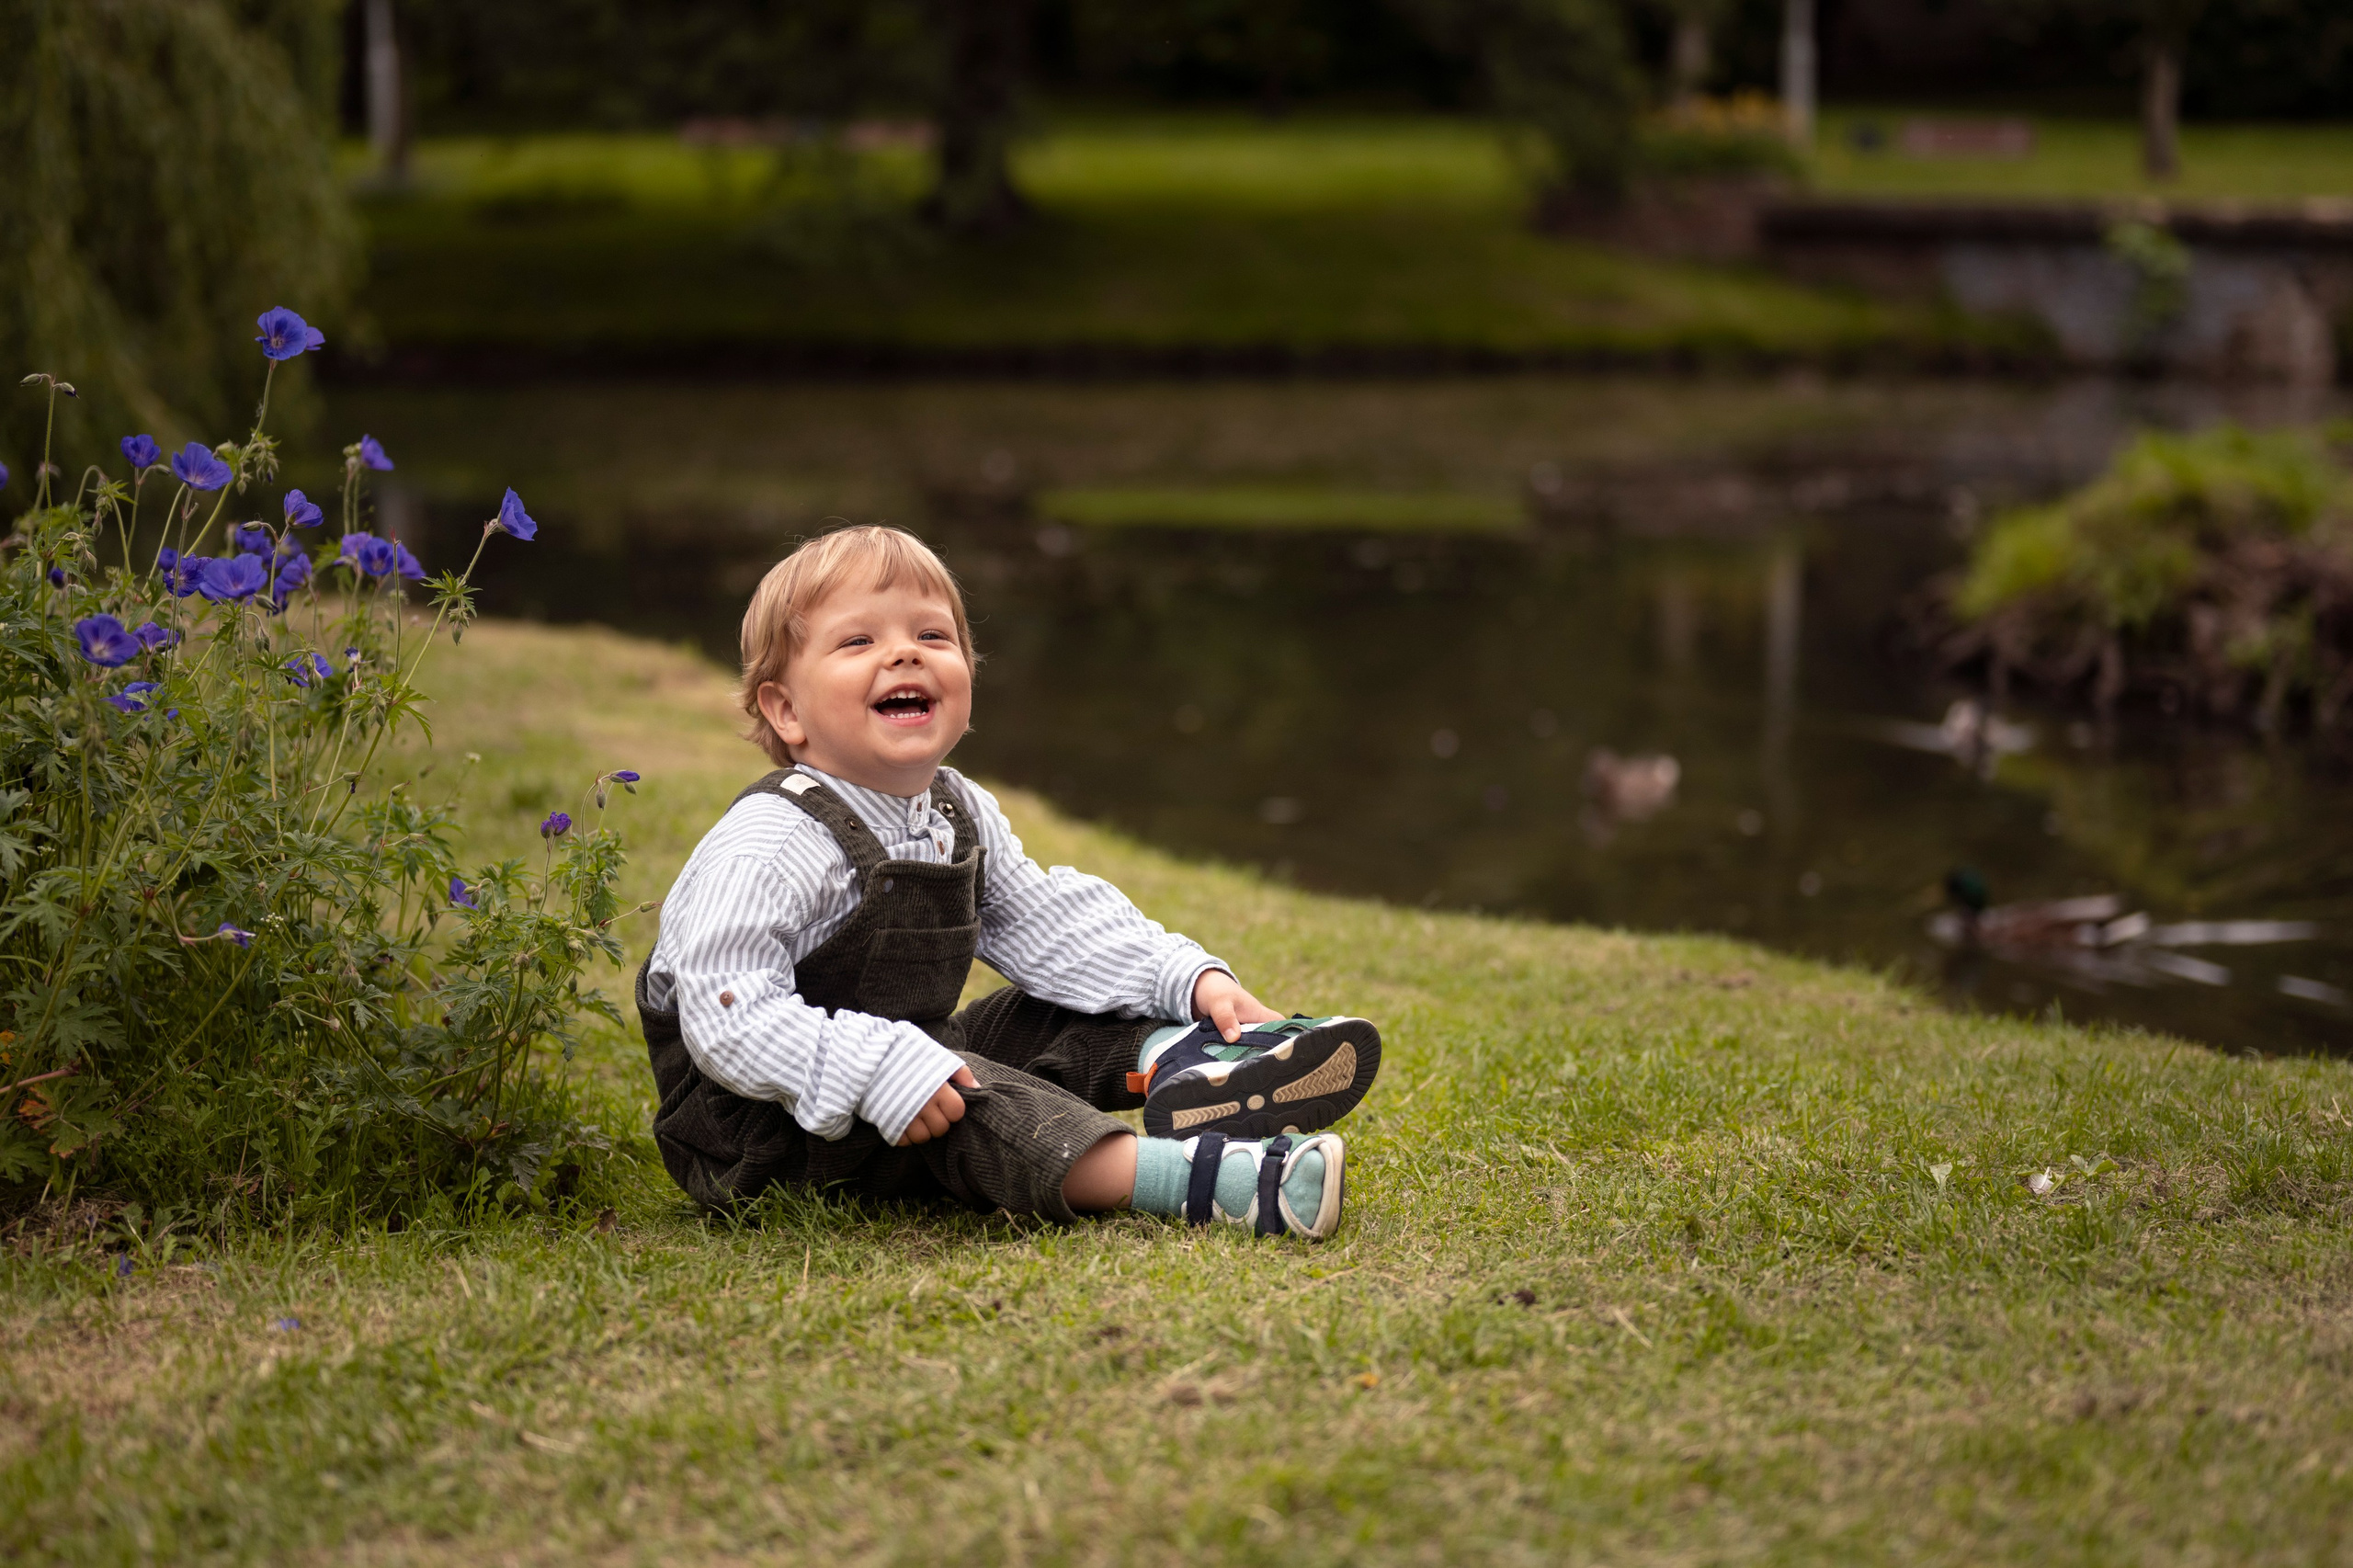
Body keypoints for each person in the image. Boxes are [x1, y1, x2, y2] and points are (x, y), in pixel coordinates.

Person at [639, 525, 1381, 1239]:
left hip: (913, 1055)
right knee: (975, 1095)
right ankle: (1193, 1178)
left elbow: (1048, 924)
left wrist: (1184, 978)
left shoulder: (957, 809)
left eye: (932, 637)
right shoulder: (770, 844)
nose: (905, 655)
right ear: (786, 710)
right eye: (859, 641)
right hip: (763, 1129)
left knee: (1039, 1015)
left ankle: (1194, 1063)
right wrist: (882, 1070)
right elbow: (727, 1015)